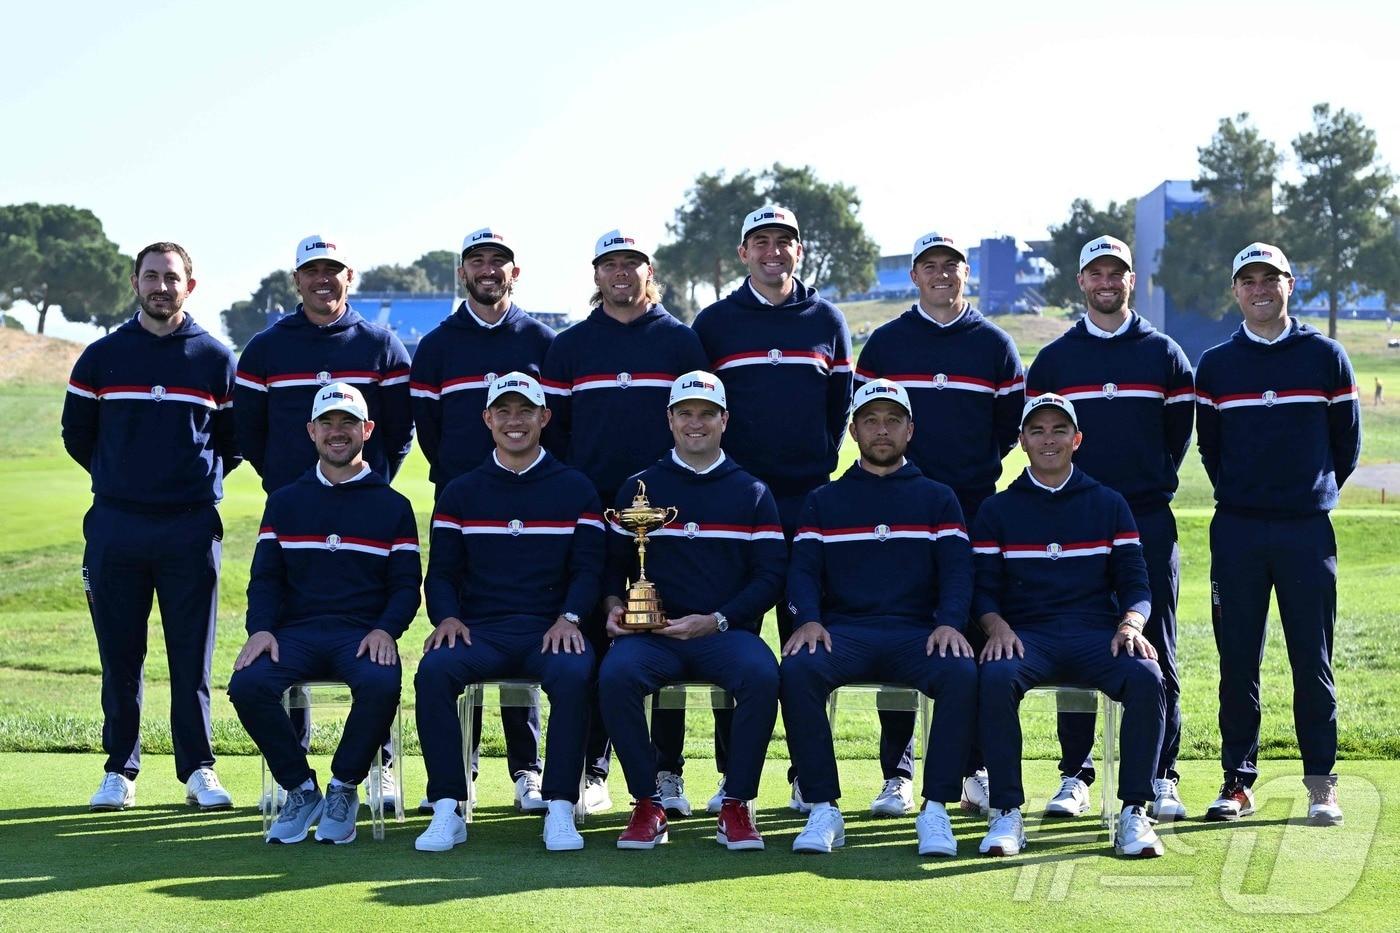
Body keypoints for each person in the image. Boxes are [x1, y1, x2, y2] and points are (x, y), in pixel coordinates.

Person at [234, 235, 414, 806]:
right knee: (290, 629)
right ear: (297, 280)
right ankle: (299, 780)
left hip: (365, 505)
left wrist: (368, 485)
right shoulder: (266, 347)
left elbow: (400, 430)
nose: (322, 279)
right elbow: (247, 432)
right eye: (311, 271)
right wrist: (289, 484)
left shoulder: (381, 344)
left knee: (372, 647)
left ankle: (375, 766)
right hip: (294, 506)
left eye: (332, 270)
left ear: (348, 277)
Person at [62, 242, 239, 813]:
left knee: (191, 657)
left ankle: (199, 769)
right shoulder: (102, 357)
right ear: (135, 282)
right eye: (152, 276)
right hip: (116, 525)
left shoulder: (215, 358)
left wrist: (186, 483)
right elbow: (77, 435)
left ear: (191, 285)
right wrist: (122, 479)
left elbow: (232, 443)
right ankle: (120, 769)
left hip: (190, 527)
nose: (162, 287)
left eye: (172, 277)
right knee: (120, 656)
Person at [854, 231, 1024, 817]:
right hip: (896, 504)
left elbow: (1009, 428)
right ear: (915, 275)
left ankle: (972, 767)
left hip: (973, 507)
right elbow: (866, 419)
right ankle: (897, 773)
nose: (941, 274)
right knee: (901, 625)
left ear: (965, 272)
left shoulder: (995, 344)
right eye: (930, 265)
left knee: (969, 633)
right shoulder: (886, 342)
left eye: (951, 265)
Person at [1025, 235, 1194, 821]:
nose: (1105, 281)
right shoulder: (1055, 360)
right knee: (1076, 639)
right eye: (1095, 273)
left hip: (1147, 519)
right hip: (1072, 520)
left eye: (1115, 272)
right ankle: (1075, 774)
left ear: (1131, 280)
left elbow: (1176, 439)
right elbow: (1042, 440)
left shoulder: (1164, 354)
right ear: (1081, 282)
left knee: (1156, 644)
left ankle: (1161, 774)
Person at [540, 231, 709, 816]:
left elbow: (698, 420)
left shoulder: (680, 340)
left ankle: (668, 771)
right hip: (593, 512)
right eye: (609, 264)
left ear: (648, 271)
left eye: (631, 264)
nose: (620, 273)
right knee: (598, 637)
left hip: (667, 513)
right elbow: (556, 430)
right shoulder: (570, 345)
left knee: (665, 630)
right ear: (596, 274)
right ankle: (593, 767)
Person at [692, 205, 854, 813]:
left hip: (804, 501)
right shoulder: (716, 323)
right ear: (743, 253)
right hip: (733, 503)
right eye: (760, 242)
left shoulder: (827, 320)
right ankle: (733, 776)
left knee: (804, 640)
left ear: (798, 250)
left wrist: (817, 461)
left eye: (783, 242)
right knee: (734, 641)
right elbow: (699, 409)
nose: (772, 252)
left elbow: (839, 407)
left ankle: (806, 774)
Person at [1196, 242, 1360, 826]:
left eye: (1271, 279)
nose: (1260, 289)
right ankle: (1237, 782)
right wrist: (1246, 493)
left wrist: (1307, 495)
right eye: (1249, 280)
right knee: (1238, 662)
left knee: (1311, 660)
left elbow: (1346, 445)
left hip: (1305, 531)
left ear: (1290, 284)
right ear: (1236, 291)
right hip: (1237, 529)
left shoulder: (1326, 357)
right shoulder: (1216, 365)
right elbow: (1210, 449)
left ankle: (1321, 785)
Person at [781, 380, 977, 856]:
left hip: (918, 634)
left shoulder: (938, 498)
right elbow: (802, 571)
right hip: (845, 633)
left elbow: (957, 572)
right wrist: (807, 619)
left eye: (893, 421)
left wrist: (950, 622)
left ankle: (935, 809)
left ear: (910, 430)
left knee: (960, 671)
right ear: (853, 431)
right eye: (871, 421)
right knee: (799, 668)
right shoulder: (824, 500)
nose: (882, 430)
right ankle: (823, 806)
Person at [413, 372, 603, 853]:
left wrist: (571, 617)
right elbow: (442, 573)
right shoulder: (461, 491)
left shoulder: (576, 488)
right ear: (487, 419)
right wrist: (447, 618)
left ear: (545, 417)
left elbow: (589, 569)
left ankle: (560, 806)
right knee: (433, 672)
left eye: (525, 411)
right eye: (504, 411)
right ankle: (448, 806)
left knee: (575, 673)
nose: (514, 421)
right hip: (480, 632)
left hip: (549, 630)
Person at [227, 382, 421, 844]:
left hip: (361, 634)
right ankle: (300, 788)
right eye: (327, 423)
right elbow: (266, 579)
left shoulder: (393, 506)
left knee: (380, 682)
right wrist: (261, 630)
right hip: (294, 634)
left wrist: (387, 629)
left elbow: (405, 586)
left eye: (348, 423)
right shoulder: (285, 501)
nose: (338, 432)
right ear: (311, 431)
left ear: (367, 430)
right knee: (248, 684)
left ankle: (343, 787)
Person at [972, 393, 1165, 858]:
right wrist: (995, 627)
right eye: (1036, 431)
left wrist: (1131, 624)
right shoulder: (997, 509)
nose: (1048, 439)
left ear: (1076, 439)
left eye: (1059, 430)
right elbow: (982, 589)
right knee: (994, 677)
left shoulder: (1109, 504)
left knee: (1147, 676)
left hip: (1096, 633)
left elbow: (1136, 582)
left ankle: (1134, 810)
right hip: (1026, 635)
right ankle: (1006, 811)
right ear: (1022, 441)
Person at [598, 372, 785, 851]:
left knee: (762, 674)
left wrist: (717, 619)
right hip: (653, 637)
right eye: (685, 413)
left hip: (724, 634)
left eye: (706, 414)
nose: (695, 423)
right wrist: (615, 606)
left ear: (724, 420)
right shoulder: (639, 488)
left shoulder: (752, 491)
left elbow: (769, 576)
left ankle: (736, 803)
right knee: (615, 675)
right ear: (670, 420)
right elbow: (612, 567)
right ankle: (648, 802)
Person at [409, 227, 555, 814]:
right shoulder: (437, 345)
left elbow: (554, 426)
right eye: (477, 261)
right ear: (462, 272)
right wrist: (467, 481)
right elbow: (428, 432)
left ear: (515, 272)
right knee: (464, 632)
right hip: (463, 505)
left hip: (531, 505)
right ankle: (460, 770)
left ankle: (527, 770)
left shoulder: (542, 341)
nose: (488, 269)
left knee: (525, 621)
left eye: (499, 261)